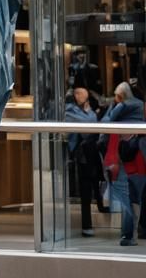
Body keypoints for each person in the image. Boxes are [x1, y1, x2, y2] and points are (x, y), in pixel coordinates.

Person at [100, 82, 146, 246]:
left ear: (120, 97)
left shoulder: (120, 112)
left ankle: (128, 235)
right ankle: (136, 231)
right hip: (139, 161)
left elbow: (105, 123)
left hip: (122, 161)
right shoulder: (141, 112)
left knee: (128, 200)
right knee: (136, 198)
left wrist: (112, 106)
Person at [67, 87, 105, 236]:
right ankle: (86, 226)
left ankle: (94, 217)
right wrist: (91, 114)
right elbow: (88, 127)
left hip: (90, 155)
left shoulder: (82, 110)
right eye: (84, 96)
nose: (86, 99)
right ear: (76, 95)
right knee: (85, 190)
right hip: (81, 157)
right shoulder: (70, 110)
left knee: (92, 186)